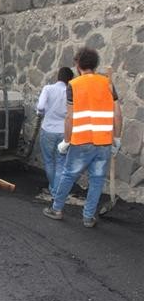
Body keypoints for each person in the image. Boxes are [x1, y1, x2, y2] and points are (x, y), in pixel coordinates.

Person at [43, 47, 122, 228]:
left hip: (81, 141)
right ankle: (88, 217)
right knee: (97, 180)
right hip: (103, 142)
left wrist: (66, 141)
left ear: (78, 65)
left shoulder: (74, 85)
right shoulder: (107, 83)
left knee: (69, 175)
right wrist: (117, 138)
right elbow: (117, 114)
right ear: (95, 65)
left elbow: (70, 117)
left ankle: (56, 209)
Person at [36, 67, 75, 197]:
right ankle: (57, 192)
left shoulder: (48, 89)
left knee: (48, 161)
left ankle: (53, 188)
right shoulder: (70, 92)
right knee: (61, 162)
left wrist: (41, 113)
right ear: (70, 80)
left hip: (48, 129)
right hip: (64, 131)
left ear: (58, 76)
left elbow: (40, 107)